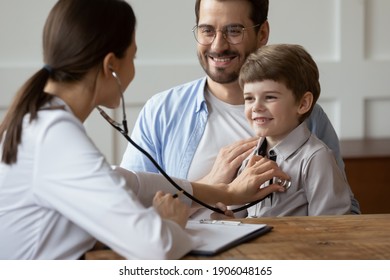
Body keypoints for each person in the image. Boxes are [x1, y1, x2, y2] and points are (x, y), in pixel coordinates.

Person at [0, 0, 289, 260]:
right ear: (111, 65)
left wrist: (224, 191)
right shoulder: (54, 137)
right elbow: (156, 247)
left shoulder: (43, 122)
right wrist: (168, 222)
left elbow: (128, 181)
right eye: (133, 57)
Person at [120, 0, 360, 216]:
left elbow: (343, 214)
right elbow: (125, 209)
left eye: (234, 30)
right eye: (207, 30)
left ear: (262, 32)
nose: (218, 45)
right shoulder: (161, 111)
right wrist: (214, 188)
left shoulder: (311, 118)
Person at [235, 44, 352, 217]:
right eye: (249, 98)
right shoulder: (250, 159)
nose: (256, 107)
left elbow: (330, 228)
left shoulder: (316, 158)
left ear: (303, 103)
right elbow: (237, 217)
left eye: (270, 97)